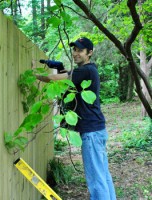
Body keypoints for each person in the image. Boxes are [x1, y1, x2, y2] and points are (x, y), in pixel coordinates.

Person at [35, 37, 117, 200]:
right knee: (103, 176)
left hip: (91, 133)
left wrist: (35, 74)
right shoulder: (88, 70)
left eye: (80, 50)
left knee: (96, 180)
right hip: (97, 130)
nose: (75, 53)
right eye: (74, 50)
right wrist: (60, 68)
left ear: (90, 53)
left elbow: (55, 80)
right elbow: (70, 80)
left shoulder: (85, 70)